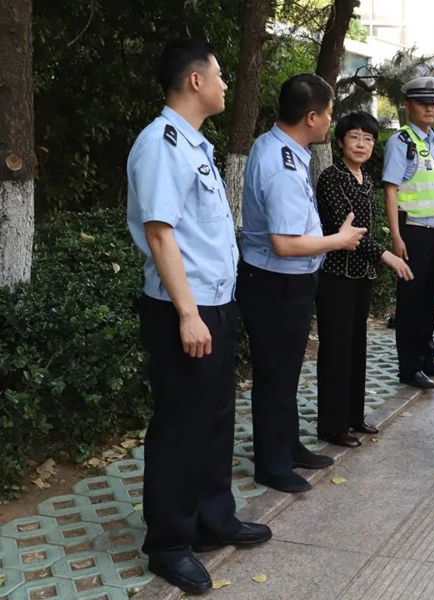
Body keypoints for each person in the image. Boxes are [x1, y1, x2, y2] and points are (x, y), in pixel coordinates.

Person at [126, 39, 271, 593]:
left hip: (215, 301)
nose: (225, 84)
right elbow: (161, 235)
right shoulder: (161, 145)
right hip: (182, 307)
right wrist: (189, 315)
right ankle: (167, 542)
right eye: (219, 75)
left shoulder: (193, 144)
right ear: (194, 82)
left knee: (213, 416)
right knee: (180, 425)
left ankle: (213, 517)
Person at [239, 74, 359, 493]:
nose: (331, 121)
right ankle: (272, 466)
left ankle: (288, 446)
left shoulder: (280, 147)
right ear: (311, 117)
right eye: (328, 113)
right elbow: (286, 243)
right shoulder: (282, 164)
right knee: (274, 374)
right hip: (276, 283)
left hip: (285, 281)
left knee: (286, 371)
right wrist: (339, 241)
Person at [315, 112, 414, 448]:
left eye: (369, 139)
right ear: (341, 140)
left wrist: (380, 257)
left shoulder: (365, 180)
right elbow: (350, 232)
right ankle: (332, 425)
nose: (361, 144)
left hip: (363, 276)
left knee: (357, 348)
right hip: (337, 275)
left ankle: (353, 417)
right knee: (335, 351)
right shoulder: (332, 178)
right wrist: (386, 255)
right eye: (354, 137)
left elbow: (368, 231)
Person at [383, 77, 434, 390]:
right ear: (408, 106)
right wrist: (396, 237)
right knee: (410, 303)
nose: (430, 108)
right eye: (423, 103)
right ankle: (409, 367)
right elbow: (391, 189)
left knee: (430, 301)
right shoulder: (401, 141)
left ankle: (428, 360)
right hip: (412, 232)